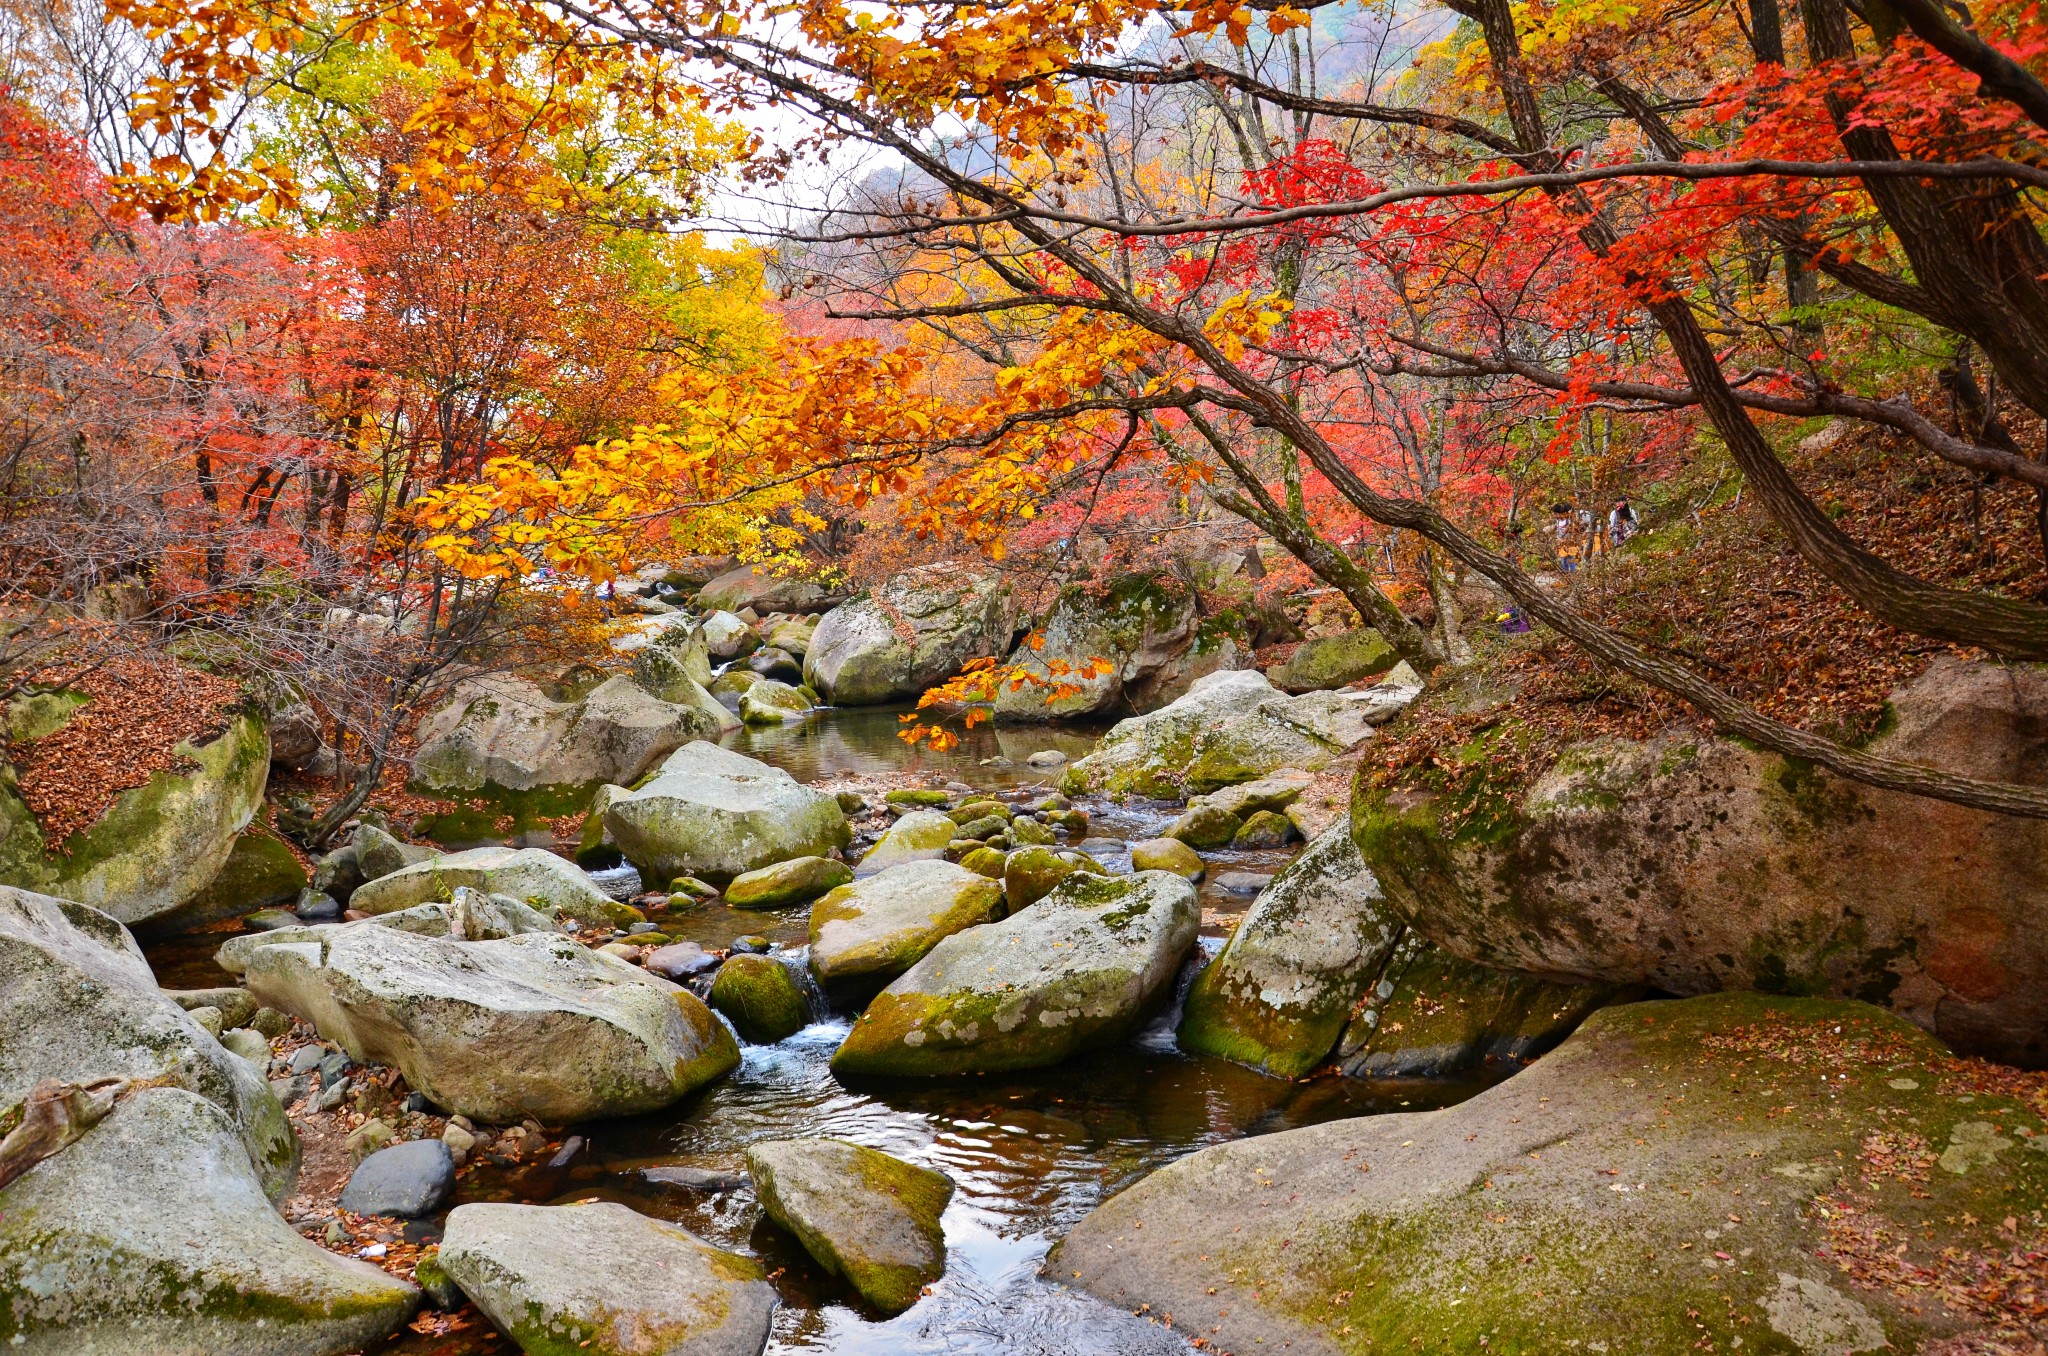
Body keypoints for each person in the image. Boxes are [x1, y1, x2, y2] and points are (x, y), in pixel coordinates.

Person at [1550, 503, 1579, 573]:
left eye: (1556, 514)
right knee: (1563, 559)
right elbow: (1556, 531)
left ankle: (1573, 573)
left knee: (1571, 559)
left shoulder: (1568, 521)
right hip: (1561, 544)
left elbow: (1572, 530)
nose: (1555, 516)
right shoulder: (1558, 522)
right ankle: (1565, 573)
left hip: (1570, 543)